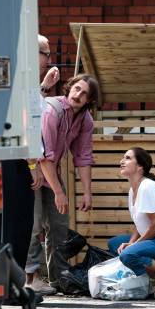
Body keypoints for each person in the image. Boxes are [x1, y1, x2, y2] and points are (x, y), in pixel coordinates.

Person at [28, 73, 100, 293]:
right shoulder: (52, 110)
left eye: (85, 93)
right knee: (35, 223)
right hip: (32, 168)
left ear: (89, 100)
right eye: (76, 88)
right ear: (69, 87)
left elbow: (83, 156)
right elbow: (45, 155)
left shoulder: (85, 120)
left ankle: (59, 279)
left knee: (59, 224)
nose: (78, 95)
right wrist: (59, 192)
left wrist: (87, 192)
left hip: (51, 169)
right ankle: (30, 278)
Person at [0, 35, 59, 269]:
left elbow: (32, 107)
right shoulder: (21, 79)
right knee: (19, 223)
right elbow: (28, 124)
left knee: (15, 223)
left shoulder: (18, 78)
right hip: (16, 159)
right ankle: (12, 281)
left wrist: (44, 86)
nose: (48, 59)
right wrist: (33, 165)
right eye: (45, 54)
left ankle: (10, 280)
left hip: (11, 156)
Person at [108, 147, 155, 299]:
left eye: (128, 158)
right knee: (115, 245)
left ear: (140, 167)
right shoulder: (133, 190)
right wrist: (131, 243)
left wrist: (133, 246)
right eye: (123, 157)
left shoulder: (147, 187)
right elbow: (139, 224)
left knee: (128, 255)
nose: (122, 161)